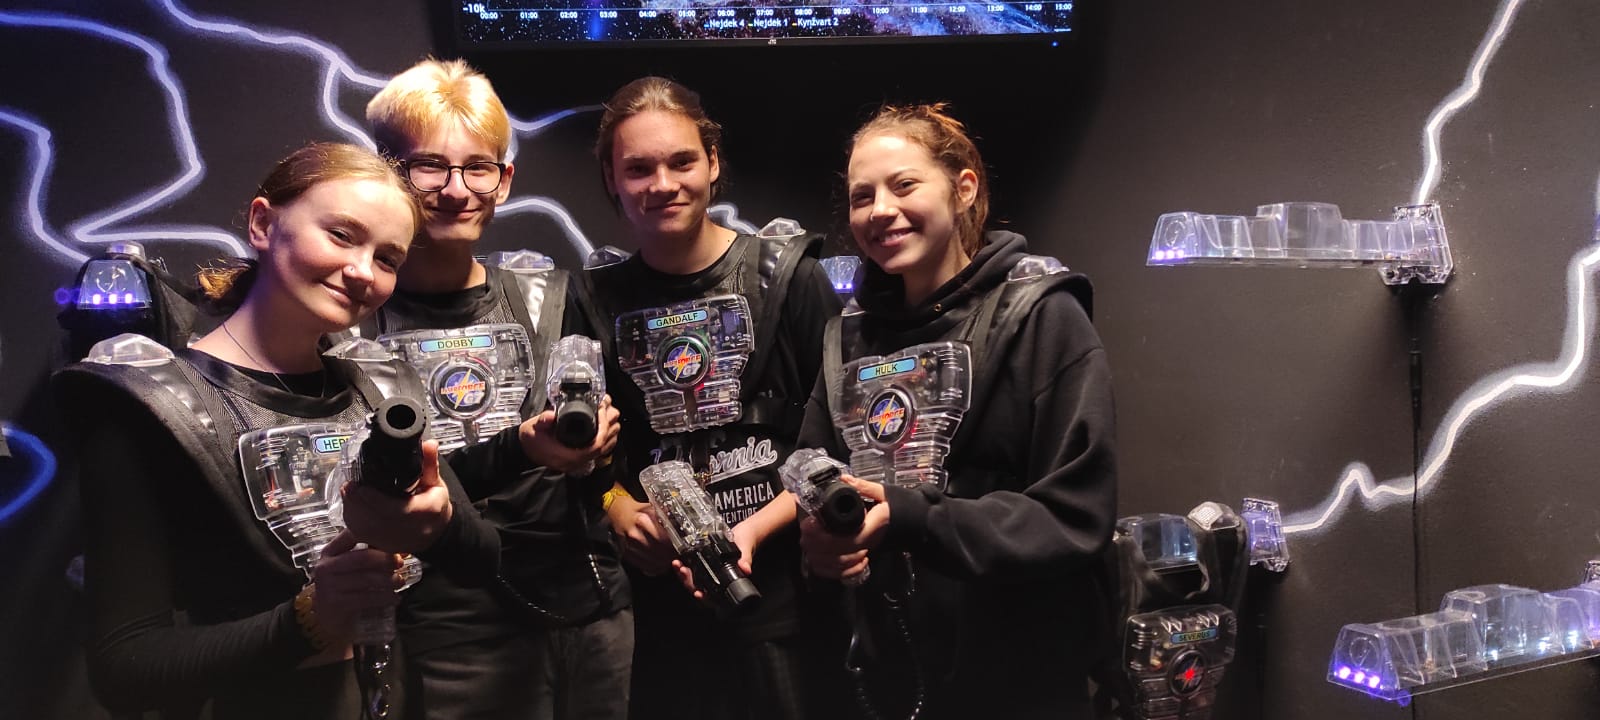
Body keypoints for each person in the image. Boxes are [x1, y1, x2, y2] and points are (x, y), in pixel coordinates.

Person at [52, 143, 506, 719]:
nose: (362, 271)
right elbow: (125, 669)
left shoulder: (382, 386)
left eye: (388, 259)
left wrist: (439, 526)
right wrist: (309, 620)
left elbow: (483, 559)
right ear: (263, 224)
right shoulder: (152, 406)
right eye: (341, 235)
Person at [795, 104, 1118, 720]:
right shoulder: (849, 339)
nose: (880, 209)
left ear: (963, 189)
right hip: (887, 677)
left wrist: (912, 518)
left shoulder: (1044, 319)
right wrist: (821, 544)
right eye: (862, 196)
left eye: (904, 185)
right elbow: (814, 473)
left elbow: (1074, 516)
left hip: (1020, 681)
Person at [362, 58, 629, 720]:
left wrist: (599, 459)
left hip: (589, 604)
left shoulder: (550, 297)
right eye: (429, 167)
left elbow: (606, 471)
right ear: (386, 171)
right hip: (449, 631)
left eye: (478, 168)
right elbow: (370, 492)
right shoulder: (353, 321)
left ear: (504, 180)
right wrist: (521, 450)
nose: (456, 190)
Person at [576, 76, 844, 720]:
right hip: (663, 610)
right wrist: (617, 509)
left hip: (786, 597)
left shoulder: (791, 279)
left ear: (713, 162)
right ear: (612, 179)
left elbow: (840, 438)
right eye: (638, 168)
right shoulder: (590, 302)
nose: (662, 183)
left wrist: (755, 529)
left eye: (682, 161)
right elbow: (585, 463)